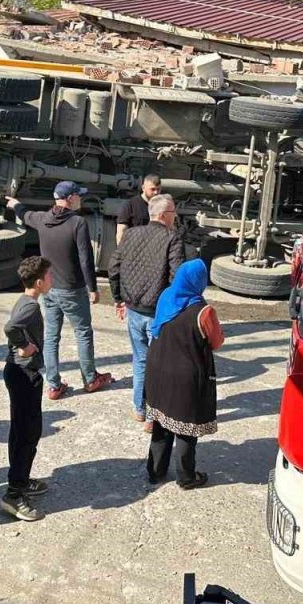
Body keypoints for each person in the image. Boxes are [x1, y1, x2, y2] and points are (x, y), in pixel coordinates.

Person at [5, 182, 112, 400]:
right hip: (73, 289)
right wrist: (93, 288)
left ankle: (53, 385)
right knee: (83, 333)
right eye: (79, 195)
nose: (81, 198)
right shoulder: (77, 223)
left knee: (51, 336)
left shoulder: (44, 219)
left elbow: (25, 215)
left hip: (49, 289)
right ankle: (90, 379)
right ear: (71, 198)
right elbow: (85, 258)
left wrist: (15, 204)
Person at [143, 259, 224, 490]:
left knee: (161, 422)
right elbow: (216, 342)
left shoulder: (167, 295)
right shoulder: (204, 311)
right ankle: (186, 477)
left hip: (158, 370)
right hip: (185, 377)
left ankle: (155, 471)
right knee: (186, 427)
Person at [109, 193, 183, 427]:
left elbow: (114, 267)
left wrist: (119, 298)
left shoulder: (130, 234)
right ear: (163, 215)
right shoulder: (173, 239)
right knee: (159, 365)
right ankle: (152, 416)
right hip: (158, 313)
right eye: (173, 213)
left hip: (134, 309)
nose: (175, 217)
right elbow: (176, 277)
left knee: (140, 361)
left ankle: (140, 409)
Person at [0, 256, 55, 523]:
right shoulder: (30, 307)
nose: (52, 280)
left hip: (19, 372)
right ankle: (14, 493)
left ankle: (21, 479)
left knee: (23, 431)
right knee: (26, 433)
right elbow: (11, 328)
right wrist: (25, 345)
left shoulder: (25, 301)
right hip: (24, 374)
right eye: (50, 276)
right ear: (39, 282)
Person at [116, 174, 162, 244]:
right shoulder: (130, 205)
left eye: (158, 189)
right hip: (134, 248)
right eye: (152, 189)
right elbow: (121, 231)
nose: (156, 192)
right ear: (143, 188)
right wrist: (122, 252)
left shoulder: (162, 206)